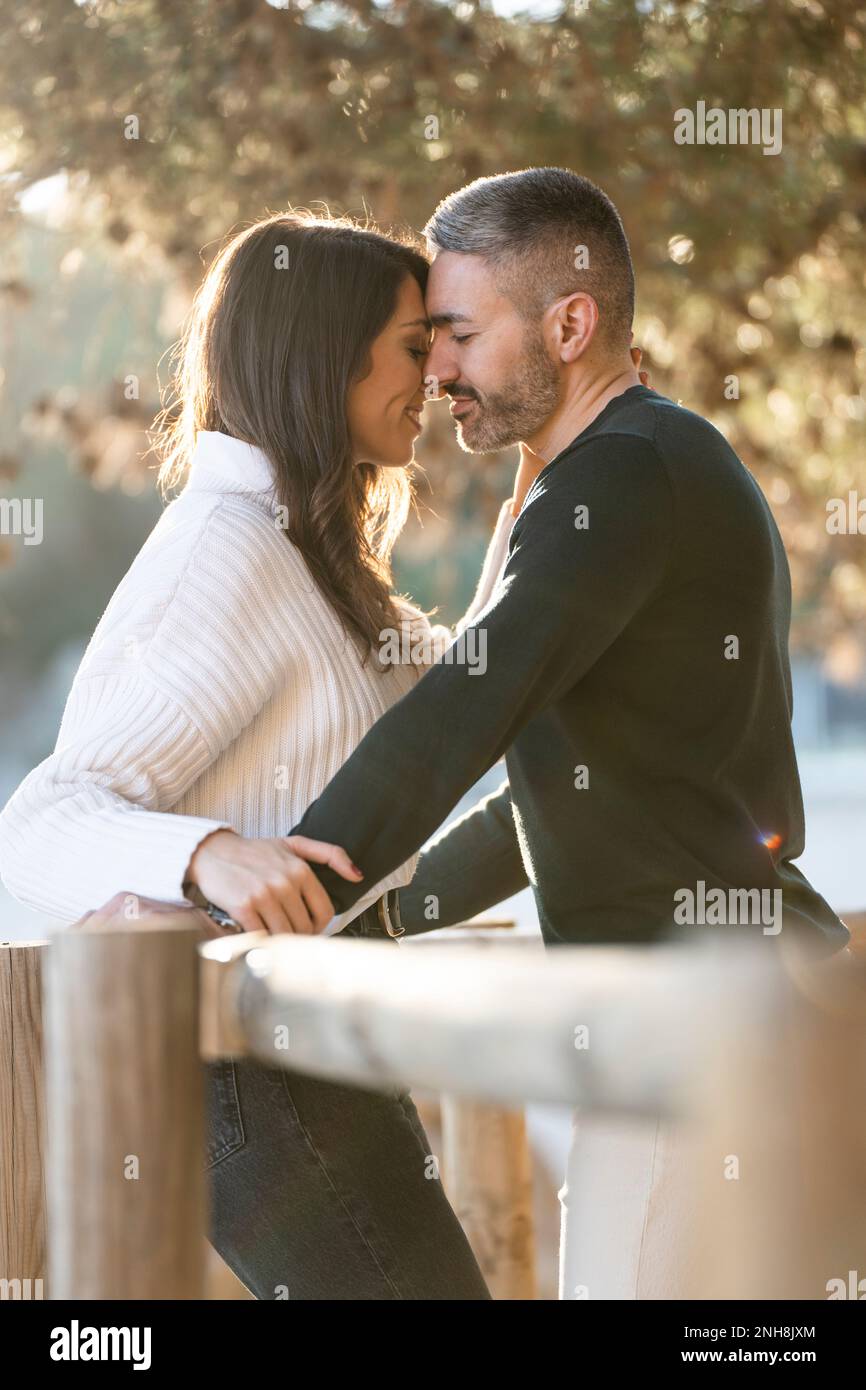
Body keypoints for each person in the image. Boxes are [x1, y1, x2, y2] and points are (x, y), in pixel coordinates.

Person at [0, 211, 492, 1300]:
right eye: (416, 345)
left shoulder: (305, 553)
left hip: (316, 1046)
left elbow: (476, 688)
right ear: (327, 352)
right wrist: (210, 853)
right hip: (250, 1070)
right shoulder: (223, 555)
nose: (435, 372)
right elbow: (36, 823)